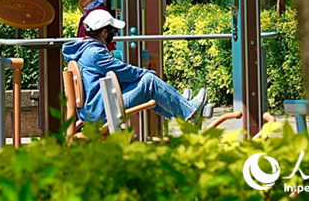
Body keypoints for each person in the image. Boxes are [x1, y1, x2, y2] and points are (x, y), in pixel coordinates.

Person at [61, 9, 207, 125]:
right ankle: (189, 113)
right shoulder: (95, 53)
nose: (114, 34)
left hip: (93, 109)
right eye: (113, 31)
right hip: (101, 112)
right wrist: (146, 72)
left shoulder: (83, 50)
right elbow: (124, 71)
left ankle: (180, 104)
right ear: (104, 33)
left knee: (146, 86)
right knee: (149, 81)